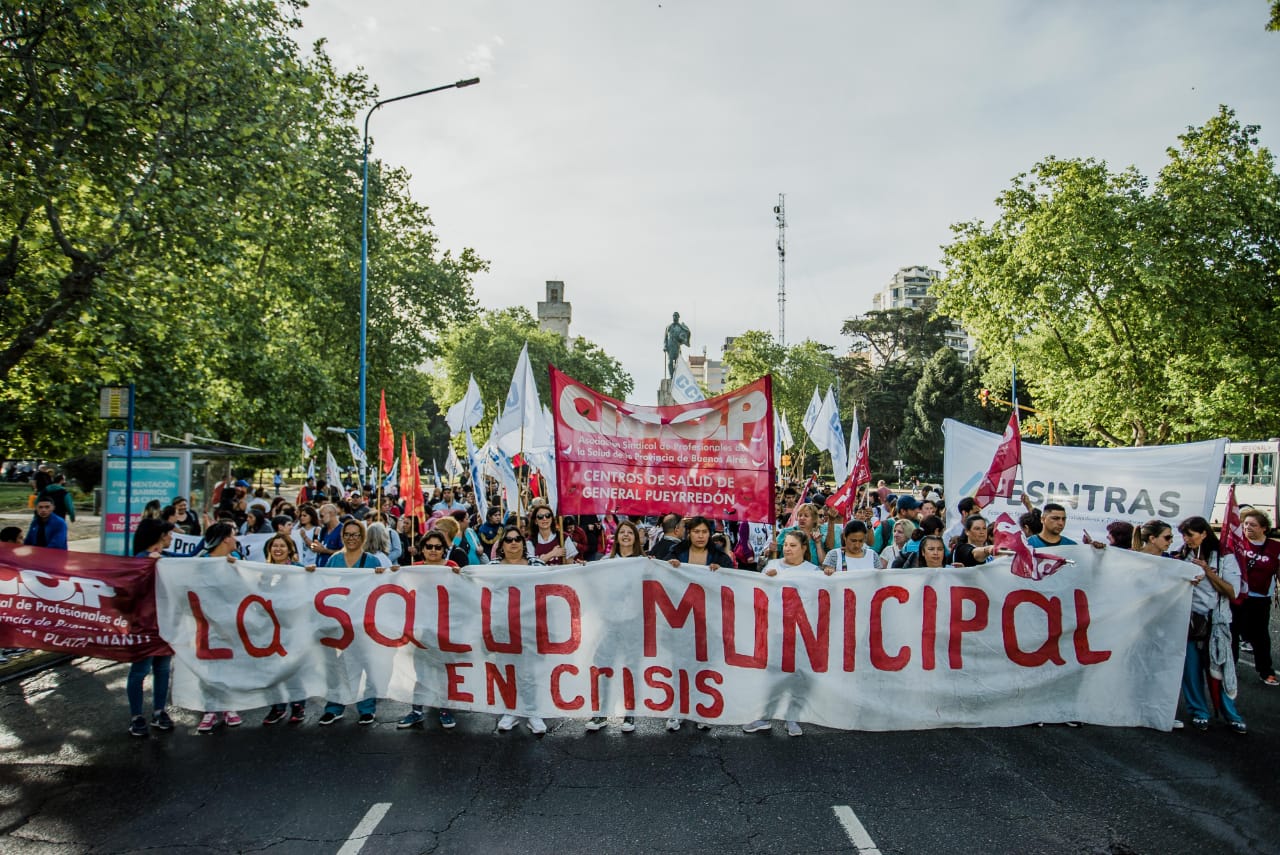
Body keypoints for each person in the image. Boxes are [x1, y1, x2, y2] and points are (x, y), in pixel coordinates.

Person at [745, 530, 819, 737]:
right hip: (776, 631)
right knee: (772, 674)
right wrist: (766, 580)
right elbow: (755, 593)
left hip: (801, 633)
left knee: (797, 676)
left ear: (804, 548)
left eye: (793, 545)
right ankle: (765, 717)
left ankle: (792, 717)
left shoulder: (813, 571)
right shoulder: (772, 566)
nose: (787, 548)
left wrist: (829, 575)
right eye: (786, 544)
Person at [1177, 516, 1247, 733]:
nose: (1186, 539)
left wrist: (1207, 572)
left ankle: (1230, 713)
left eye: (1190, 535)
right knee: (1191, 670)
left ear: (1204, 533)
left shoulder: (1224, 558)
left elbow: (1232, 591)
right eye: (1184, 535)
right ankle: (1199, 711)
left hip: (1216, 622)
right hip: (1190, 621)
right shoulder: (1184, 554)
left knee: (1220, 668)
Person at [318, 519, 387, 726]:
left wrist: (381, 577)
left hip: (363, 621)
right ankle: (334, 707)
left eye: (355, 534)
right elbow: (324, 585)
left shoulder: (372, 562)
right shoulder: (334, 560)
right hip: (338, 622)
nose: (351, 538)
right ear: (342, 537)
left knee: (366, 664)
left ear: (363, 537)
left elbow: (381, 589)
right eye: (347, 534)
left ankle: (366, 708)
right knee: (337, 667)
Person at [397, 529, 460, 732]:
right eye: (429, 546)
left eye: (438, 547)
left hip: (444, 628)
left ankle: (444, 709)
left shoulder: (451, 567)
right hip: (420, 629)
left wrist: (461, 576)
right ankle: (416, 710)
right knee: (420, 671)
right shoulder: (414, 568)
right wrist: (385, 574)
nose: (433, 550)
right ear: (422, 549)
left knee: (443, 670)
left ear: (444, 550)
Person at [493, 525, 548, 735]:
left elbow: (559, 577)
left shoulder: (536, 564)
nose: (513, 543)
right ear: (502, 544)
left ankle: (534, 712)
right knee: (508, 670)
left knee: (530, 671)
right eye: (508, 540)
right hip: (503, 628)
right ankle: (511, 711)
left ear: (523, 544)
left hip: (530, 626)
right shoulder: (491, 567)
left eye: (517, 539)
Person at [126, 518, 177, 737]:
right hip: (144, 625)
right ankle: (136, 716)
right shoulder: (139, 561)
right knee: (140, 670)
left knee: (163, 669)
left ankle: (159, 711)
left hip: (165, 623)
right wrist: (149, 565)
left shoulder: (166, 559)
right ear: (160, 536)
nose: (172, 537)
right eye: (169, 534)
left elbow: (193, 561)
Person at [193, 523, 243, 733]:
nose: (236, 539)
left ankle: (228, 706)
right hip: (207, 622)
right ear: (224, 539)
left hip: (230, 622)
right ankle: (210, 709)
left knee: (230, 664)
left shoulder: (237, 560)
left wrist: (237, 569)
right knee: (210, 666)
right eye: (233, 535)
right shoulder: (201, 563)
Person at [259, 534, 309, 725]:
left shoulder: (298, 570)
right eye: (274, 546)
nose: (278, 549)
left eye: (282, 546)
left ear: (290, 549)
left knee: (293, 666)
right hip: (271, 628)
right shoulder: (264, 572)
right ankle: (277, 706)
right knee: (274, 667)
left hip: (293, 626)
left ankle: (298, 705)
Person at [1233, 508, 1280, 687]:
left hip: (1260, 598)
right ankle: (1230, 669)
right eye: (1245, 524)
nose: (1247, 527)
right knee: (1232, 632)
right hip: (1237, 596)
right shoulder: (1237, 543)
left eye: (1253, 525)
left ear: (1264, 528)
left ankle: (1266, 671)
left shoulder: (1275, 548)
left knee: (1260, 636)